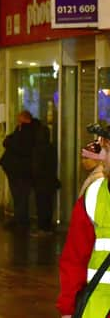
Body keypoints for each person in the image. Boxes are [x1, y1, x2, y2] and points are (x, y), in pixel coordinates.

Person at [57, 123, 110, 318]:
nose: (102, 158)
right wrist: (68, 309)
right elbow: (74, 258)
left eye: (107, 150)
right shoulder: (93, 195)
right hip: (96, 310)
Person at [0, 110, 58, 233]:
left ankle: (23, 221)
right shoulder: (26, 130)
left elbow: (14, 143)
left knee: (22, 197)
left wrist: (10, 142)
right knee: (20, 197)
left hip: (22, 170)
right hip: (20, 169)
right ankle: (21, 219)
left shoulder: (28, 131)